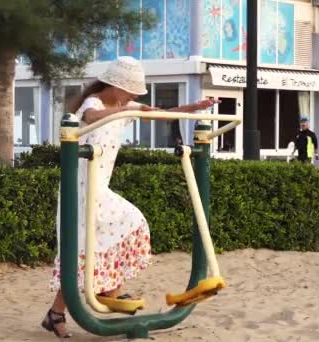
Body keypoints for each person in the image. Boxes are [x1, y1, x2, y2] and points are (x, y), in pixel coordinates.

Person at [41, 56, 217, 338]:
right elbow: (89, 118)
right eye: (131, 90)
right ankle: (68, 309)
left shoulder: (126, 106)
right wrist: (122, 113)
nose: (135, 96)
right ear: (116, 86)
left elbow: (159, 113)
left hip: (100, 188)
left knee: (124, 227)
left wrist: (194, 108)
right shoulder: (94, 103)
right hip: (82, 189)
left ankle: (81, 303)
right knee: (82, 250)